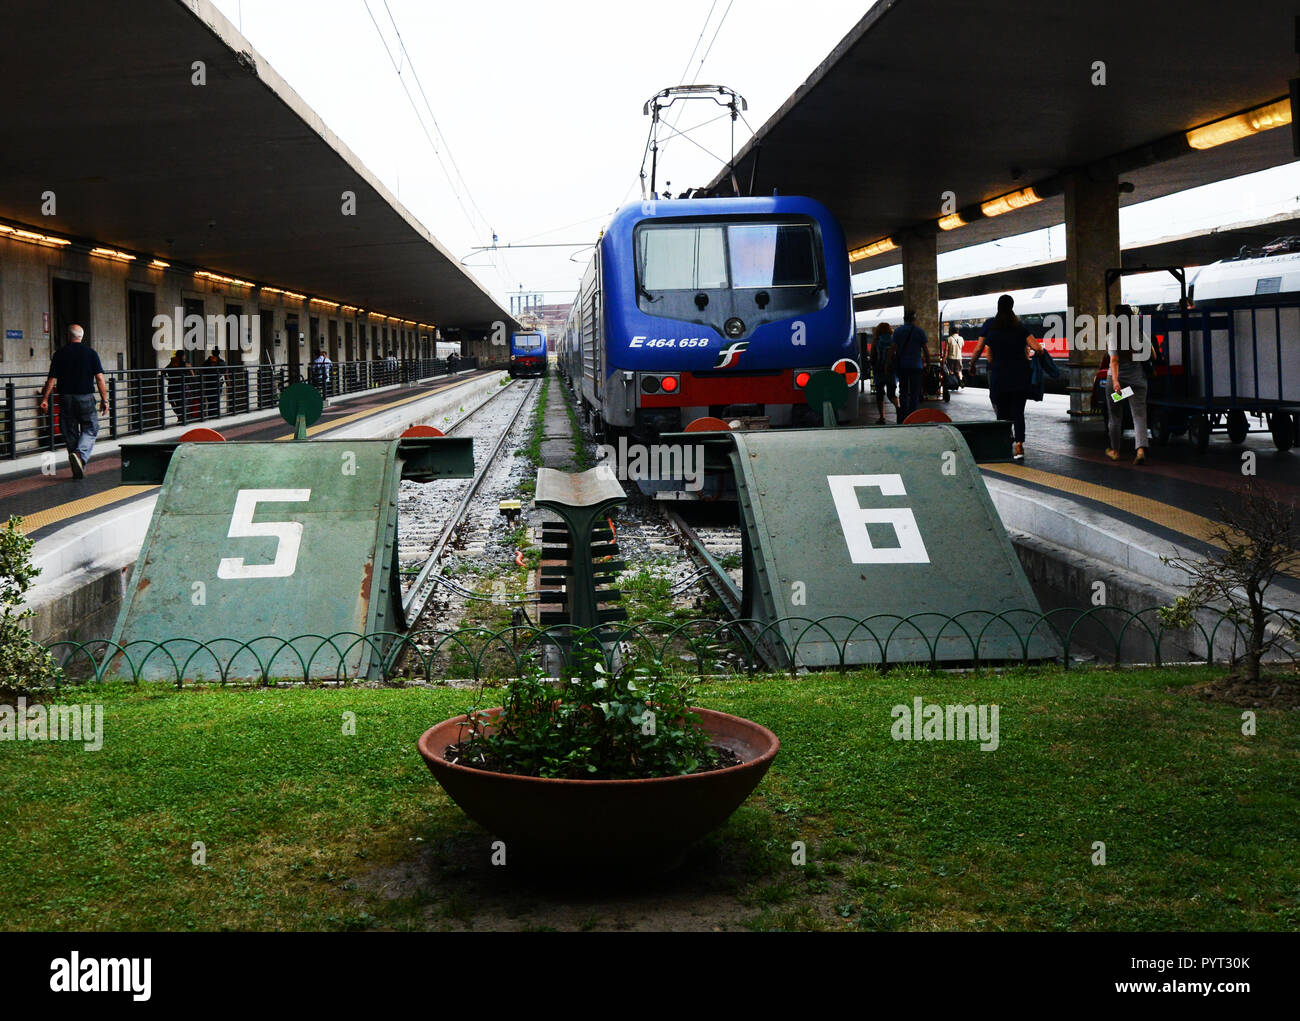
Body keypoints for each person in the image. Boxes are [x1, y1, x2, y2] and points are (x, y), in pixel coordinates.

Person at [968, 294, 1044, 462]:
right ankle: (1019, 444)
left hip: (999, 376)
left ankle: (1005, 442)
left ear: (998, 307)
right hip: (1019, 376)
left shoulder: (992, 330)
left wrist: (972, 364)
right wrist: (1028, 355)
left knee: (1002, 412)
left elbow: (985, 352)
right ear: (1012, 307)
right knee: (1018, 411)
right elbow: (1038, 348)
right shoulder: (1020, 327)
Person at [37, 324, 108, 479]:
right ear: (81, 337)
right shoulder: (91, 353)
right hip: (85, 397)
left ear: (68, 336)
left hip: (65, 398)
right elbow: (100, 378)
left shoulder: (59, 354)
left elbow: (51, 380)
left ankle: (78, 464)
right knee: (90, 428)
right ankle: (80, 455)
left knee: (69, 431)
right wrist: (105, 399)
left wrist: (45, 399)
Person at [1105, 301, 1152, 465]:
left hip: (1119, 385)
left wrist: (1116, 381)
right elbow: (1152, 353)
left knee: (1115, 415)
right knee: (1139, 416)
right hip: (1136, 383)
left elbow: (1114, 360)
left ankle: (1115, 451)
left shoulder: (1113, 335)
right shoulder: (1138, 333)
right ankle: (1140, 450)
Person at [891, 308, 931, 422]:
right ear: (914, 319)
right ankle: (913, 414)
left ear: (904, 319)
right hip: (916, 366)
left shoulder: (898, 331)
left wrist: (888, 363)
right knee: (914, 391)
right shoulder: (919, 331)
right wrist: (928, 364)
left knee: (903, 391)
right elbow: (926, 350)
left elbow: (892, 348)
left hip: (902, 366)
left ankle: (904, 415)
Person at [871, 322, 898, 424]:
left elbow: (873, 354)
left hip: (879, 369)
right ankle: (898, 409)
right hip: (891, 369)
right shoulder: (893, 339)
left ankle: (882, 417)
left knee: (880, 393)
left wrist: (872, 363)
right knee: (892, 392)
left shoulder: (876, 340)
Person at [164, 350, 196, 425]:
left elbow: (163, 372)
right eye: (184, 355)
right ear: (183, 356)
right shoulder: (186, 365)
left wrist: (169, 379)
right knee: (184, 402)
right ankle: (182, 417)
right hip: (183, 387)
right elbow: (193, 375)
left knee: (173, 402)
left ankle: (180, 417)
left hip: (172, 386)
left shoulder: (172, 364)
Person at [201, 349, 226, 419]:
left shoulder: (207, 362)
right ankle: (216, 415)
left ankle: (211, 415)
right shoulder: (221, 362)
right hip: (217, 383)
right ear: (219, 353)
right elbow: (224, 370)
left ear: (212, 353)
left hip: (209, 383)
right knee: (216, 400)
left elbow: (203, 369)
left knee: (210, 400)